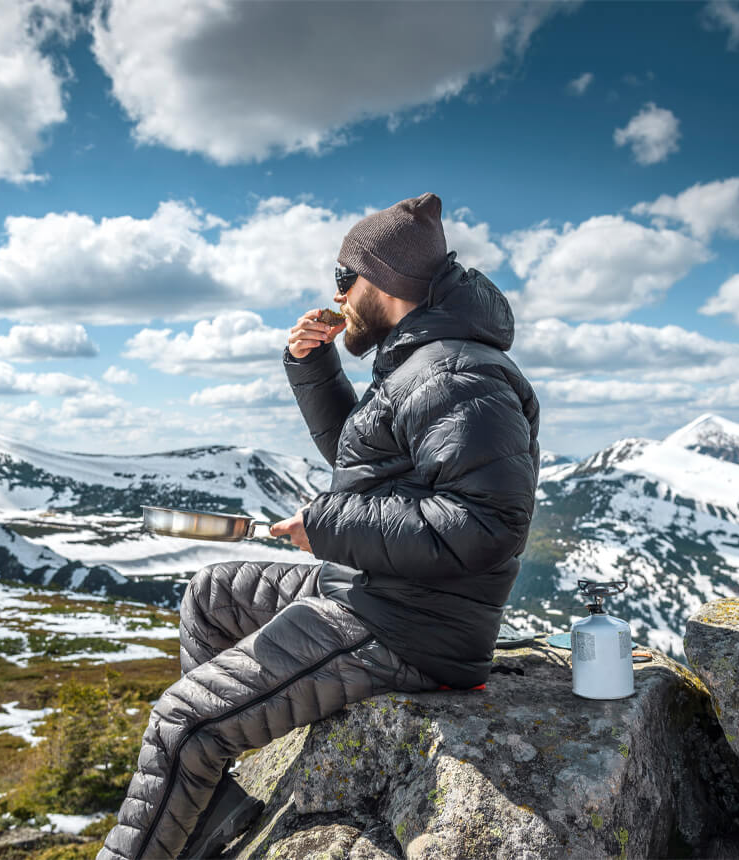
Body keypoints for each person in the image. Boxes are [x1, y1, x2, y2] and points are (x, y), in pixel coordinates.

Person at [98, 193, 540, 860]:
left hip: (406, 629)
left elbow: (486, 525)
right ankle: (210, 798)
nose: (337, 294)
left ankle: (186, 787)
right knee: (213, 595)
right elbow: (365, 467)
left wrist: (329, 524)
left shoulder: (454, 373)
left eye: (343, 278)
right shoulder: (422, 360)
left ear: (382, 280)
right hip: (373, 590)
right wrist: (313, 368)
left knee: (181, 724)